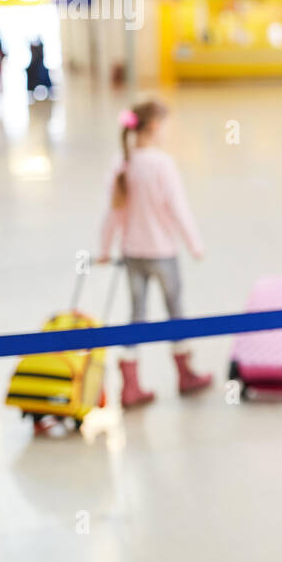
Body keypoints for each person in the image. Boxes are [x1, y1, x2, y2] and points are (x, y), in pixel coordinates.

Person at [98, 100, 213, 406]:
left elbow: (112, 213)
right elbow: (178, 209)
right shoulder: (161, 163)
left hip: (132, 254)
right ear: (154, 127)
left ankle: (130, 386)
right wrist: (195, 244)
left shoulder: (122, 162)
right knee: (175, 311)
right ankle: (185, 375)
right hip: (163, 253)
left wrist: (103, 249)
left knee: (137, 315)